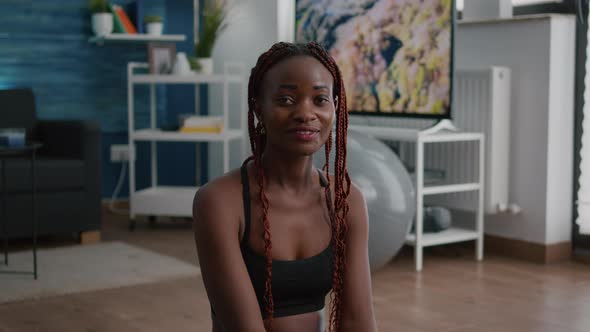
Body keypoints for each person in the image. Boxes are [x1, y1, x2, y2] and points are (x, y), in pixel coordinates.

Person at [192, 41, 377, 332]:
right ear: (258, 108)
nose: (306, 113)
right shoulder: (219, 202)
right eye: (286, 100)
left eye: (320, 100)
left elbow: (358, 322)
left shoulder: (346, 200)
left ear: (335, 108)